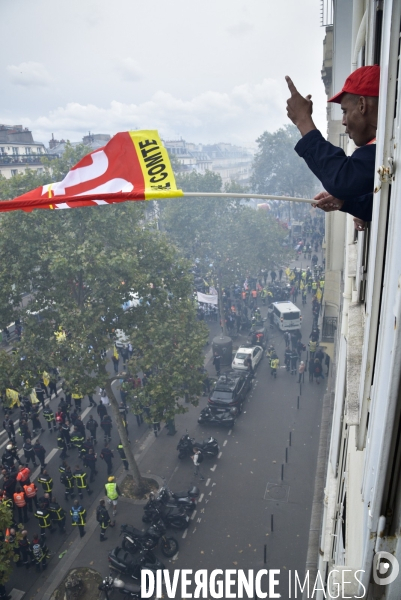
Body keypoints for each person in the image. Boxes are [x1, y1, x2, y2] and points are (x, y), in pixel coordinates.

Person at [285, 66, 379, 231]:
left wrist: (303, 120)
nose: (343, 121)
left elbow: (342, 179)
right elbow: (386, 201)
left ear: (362, 105)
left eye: (345, 111)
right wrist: (345, 201)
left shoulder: (383, 149)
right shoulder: (384, 146)